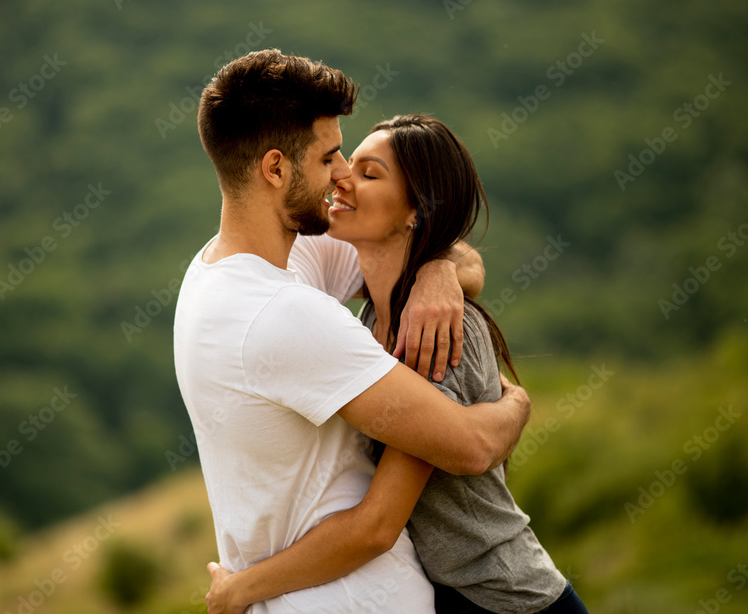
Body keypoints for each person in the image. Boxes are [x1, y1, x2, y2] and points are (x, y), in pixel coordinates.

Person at [173, 49, 531, 613]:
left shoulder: (217, 272)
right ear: (275, 169)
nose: (342, 176)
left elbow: (412, 245)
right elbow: (471, 446)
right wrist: (517, 402)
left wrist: (438, 270)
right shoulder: (284, 315)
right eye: (330, 156)